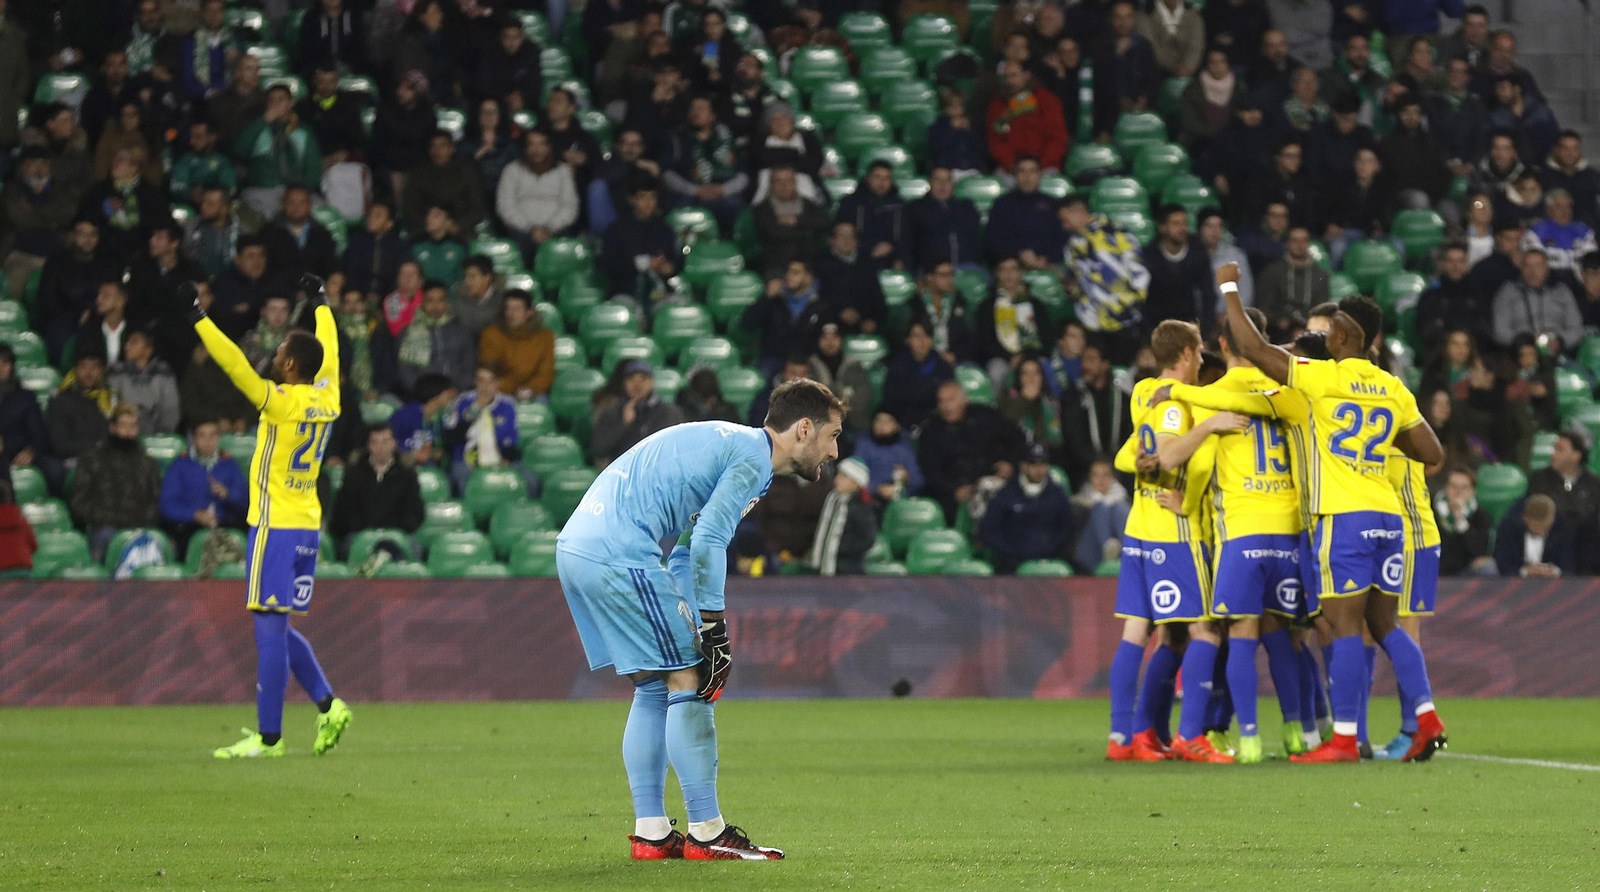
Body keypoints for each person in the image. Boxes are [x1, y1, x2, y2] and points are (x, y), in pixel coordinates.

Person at [555, 380, 844, 861]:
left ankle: (651, 834)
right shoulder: (752, 460)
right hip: (617, 551)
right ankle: (708, 833)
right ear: (804, 429)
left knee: (656, 685)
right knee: (692, 679)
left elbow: (687, 551)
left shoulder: (736, 448)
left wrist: (700, 626)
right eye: (832, 436)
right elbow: (709, 541)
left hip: (579, 547)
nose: (834, 451)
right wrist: (713, 629)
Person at [1212, 264, 1450, 763]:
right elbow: (1432, 452)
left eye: (1331, 329)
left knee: (1342, 627)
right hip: (1388, 517)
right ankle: (1427, 717)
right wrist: (1380, 440)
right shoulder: (1392, 386)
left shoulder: (1321, 378)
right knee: (1385, 625)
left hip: (1343, 518)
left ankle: (1343, 740)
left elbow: (1252, 347)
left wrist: (1230, 286)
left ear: (1342, 337)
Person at [187, 274, 352, 760]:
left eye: (281, 351)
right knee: (278, 627)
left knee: (267, 629)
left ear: (291, 365)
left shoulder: (279, 403)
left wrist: (199, 318)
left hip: (274, 524)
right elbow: (330, 349)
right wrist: (320, 303)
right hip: (307, 525)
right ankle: (328, 704)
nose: (275, 354)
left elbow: (233, 364)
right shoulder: (329, 397)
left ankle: (269, 738)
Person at [1102, 319, 1240, 762]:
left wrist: (1139, 462)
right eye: (1197, 352)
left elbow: (1132, 453)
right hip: (1173, 530)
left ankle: (1127, 737)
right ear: (1184, 354)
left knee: (1143, 631)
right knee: (1206, 631)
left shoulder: (1144, 392)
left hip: (1140, 527)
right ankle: (1190, 736)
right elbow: (1167, 453)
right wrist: (1210, 425)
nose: (1201, 360)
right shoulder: (1175, 407)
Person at [916, 380, 1026, 523]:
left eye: (950, 400)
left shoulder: (986, 417)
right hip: (954, 493)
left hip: (992, 481)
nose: (945, 406)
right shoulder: (930, 432)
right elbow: (930, 471)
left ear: (964, 400)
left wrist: (1010, 463)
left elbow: (1018, 439)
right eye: (941, 401)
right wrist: (954, 491)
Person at [70, 404, 164, 560]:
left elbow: (157, 500)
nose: (128, 431)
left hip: (140, 526)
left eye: (133, 426)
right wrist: (109, 519)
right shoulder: (92, 459)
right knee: (106, 536)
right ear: (112, 427)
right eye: (123, 425)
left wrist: (140, 521)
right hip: (105, 527)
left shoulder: (148, 463)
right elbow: (79, 503)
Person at [980, 442, 1076, 575]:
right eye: (1034, 464)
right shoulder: (1006, 494)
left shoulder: (1057, 494)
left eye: (1043, 464)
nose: (1039, 469)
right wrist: (1011, 551)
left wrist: (1049, 550)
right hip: (1012, 564)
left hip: (1051, 561)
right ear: (1023, 466)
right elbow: (989, 529)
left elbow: (1066, 530)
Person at [328, 424, 425, 550]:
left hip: (398, 535)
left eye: (385, 441)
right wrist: (367, 531)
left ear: (394, 443)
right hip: (359, 535)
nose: (381, 447)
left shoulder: (407, 474)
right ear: (369, 445)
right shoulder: (354, 473)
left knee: (412, 547)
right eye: (375, 442)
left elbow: (415, 512)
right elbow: (343, 511)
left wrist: (391, 531)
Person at [661, 95, 748, 232]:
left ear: (712, 116)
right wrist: (695, 190)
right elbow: (667, 174)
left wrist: (722, 190)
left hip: (725, 194)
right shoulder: (676, 138)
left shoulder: (729, 138)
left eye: (701, 109)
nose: (695, 113)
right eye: (692, 109)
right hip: (689, 194)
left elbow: (743, 175)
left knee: (737, 208)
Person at [159, 419, 248, 551]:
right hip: (189, 528)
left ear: (218, 438)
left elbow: (244, 503)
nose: (208, 441)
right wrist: (194, 515)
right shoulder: (179, 465)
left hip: (225, 526)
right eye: (202, 435)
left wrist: (227, 495)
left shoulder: (229, 464)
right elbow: (167, 505)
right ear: (194, 439)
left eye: (212, 435)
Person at [741, 261, 831, 379]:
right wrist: (766, 298)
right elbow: (747, 323)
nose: (789, 276)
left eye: (796, 272)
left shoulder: (820, 306)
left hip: (806, 359)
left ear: (808, 278)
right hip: (775, 359)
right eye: (788, 272)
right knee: (763, 376)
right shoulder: (773, 301)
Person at [497, 130, 580, 254]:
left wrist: (550, 229)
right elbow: (505, 206)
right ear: (525, 148)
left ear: (549, 147)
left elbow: (570, 206)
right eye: (532, 145)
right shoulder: (512, 170)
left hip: (557, 231)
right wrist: (530, 229)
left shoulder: (563, 171)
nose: (536, 150)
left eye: (541, 144)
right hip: (521, 232)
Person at [592, 360, 686, 467]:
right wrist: (623, 424)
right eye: (631, 379)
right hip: (625, 471)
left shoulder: (670, 412)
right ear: (624, 383)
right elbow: (599, 449)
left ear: (651, 382)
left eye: (643, 379)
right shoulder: (612, 412)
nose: (637, 385)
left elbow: (680, 446)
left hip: (661, 468)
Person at [1140, 204, 1216, 336]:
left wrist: (1204, 334)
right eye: (1176, 224)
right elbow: (1142, 301)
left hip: (1190, 326)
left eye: (1184, 223)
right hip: (1158, 328)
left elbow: (1208, 295)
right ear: (1163, 228)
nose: (1182, 228)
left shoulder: (1197, 253)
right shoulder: (1149, 256)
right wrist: (1149, 337)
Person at [600, 182, 680, 304]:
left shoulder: (665, 230)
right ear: (632, 200)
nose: (648, 203)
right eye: (643, 197)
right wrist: (641, 264)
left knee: (679, 308)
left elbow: (675, 261)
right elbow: (608, 266)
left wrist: (669, 268)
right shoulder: (615, 230)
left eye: (652, 197)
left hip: (660, 293)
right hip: (626, 292)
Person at [985, 61, 1069, 174]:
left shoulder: (1047, 100)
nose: (1009, 81)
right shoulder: (997, 106)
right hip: (1010, 169)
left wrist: (1038, 165)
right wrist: (1012, 165)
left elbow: (1058, 139)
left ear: (1026, 75)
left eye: (1014, 75)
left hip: (1045, 167)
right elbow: (996, 142)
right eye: (1006, 77)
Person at [1492, 248, 1583, 351]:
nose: (1532, 271)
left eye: (1538, 266)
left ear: (1547, 269)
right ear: (1521, 268)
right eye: (1527, 266)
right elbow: (1499, 331)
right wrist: (1523, 340)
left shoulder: (1562, 292)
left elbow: (1576, 328)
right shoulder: (1507, 292)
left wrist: (1560, 341)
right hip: (1521, 350)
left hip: (1558, 349)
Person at [404, 131, 487, 237]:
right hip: (425, 230)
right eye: (434, 146)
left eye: (442, 146)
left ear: (452, 148)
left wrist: (456, 225)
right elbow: (411, 207)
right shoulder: (418, 173)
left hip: (460, 231)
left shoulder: (467, 171)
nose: (438, 150)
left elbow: (477, 207)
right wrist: (431, 223)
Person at [1254, 226, 1331, 339]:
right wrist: (1279, 321)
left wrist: (1308, 326)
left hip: (1311, 332)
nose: (1299, 245)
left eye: (1304, 240)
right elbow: (1264, 306)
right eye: (1295, 240)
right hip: (1278, 332)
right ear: (1287, 244)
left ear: (1309, 244)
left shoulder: (1320, 275)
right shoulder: (1272, 272)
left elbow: (1322, 307)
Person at [398, 282, 477, 392]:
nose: (435, 306)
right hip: (422, 395)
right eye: (430, 300)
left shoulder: (461, 331)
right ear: (422, 302)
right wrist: (424, 393)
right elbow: (406, 371)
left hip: (457, 393)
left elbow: (469, 366)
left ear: (447, 302)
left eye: (440, 300)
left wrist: (457, 391)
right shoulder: (410, 333)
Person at [1415, 243, 1492, 354]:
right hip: (1440, 355)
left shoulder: (1479, 295)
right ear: (1442, 264)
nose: (1455, 266)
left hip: (1474, 354)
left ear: (1467, 264)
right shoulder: (1430, 297)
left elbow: (1485, 330)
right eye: (1450, 261)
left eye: (1460, 261)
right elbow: (1427, 331)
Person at [753, 166, 831, 274]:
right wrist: (808, 231)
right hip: (777, 267)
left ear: (795, 183)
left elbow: (825, 222)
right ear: (771, 185)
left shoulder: (808, 205)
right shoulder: (762, 209)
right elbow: (775, 234)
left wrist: (796, 220)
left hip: (810, 264)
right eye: (778, 181)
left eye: (788, 180)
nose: (784, 185)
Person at [807, 457, 877, 576]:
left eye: (844, 476)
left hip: (848, 569)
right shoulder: (831, 500)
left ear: (856, 482)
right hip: (826, 565)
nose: (837, 479)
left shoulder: (861, 507)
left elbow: (868, 539)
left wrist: (840, 548)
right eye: (838, 474)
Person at [986, 157, 1061, 268]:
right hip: (1010, 264)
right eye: (1022, 171)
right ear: (1015, 175)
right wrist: (1019, 254)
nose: (1027, 176)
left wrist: (1046, 258)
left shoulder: (1052, 204)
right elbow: (993, 241)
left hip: (1048, 263)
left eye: (1032, 171)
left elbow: (1061, 238)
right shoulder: (1002, 204)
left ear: (1039, 175)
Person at [813, 223, 887, 334]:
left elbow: (876, 296)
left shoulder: (867, 263)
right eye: (842, 236)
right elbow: (821, 294)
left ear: (856, 241)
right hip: (832, 319)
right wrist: (840, 311)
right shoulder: (820, 264)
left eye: (851, 236)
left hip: (864, 320)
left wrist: (872, 319)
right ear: (832, 240)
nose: (846, 240)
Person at [1525, 430, 1600, 540]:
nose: (1553, 455)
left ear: (1576, 455)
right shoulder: (1539, 480)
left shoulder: (1593, 484)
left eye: (1560, 450)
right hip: (1550, 541)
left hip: (1585, 543)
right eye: (1554, 449)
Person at [881, 320, 955, 428]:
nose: (922, 341)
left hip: (937, 424)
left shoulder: (943, 367)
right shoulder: (897, 367)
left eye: (926, 335)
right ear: (908, 340)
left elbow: (949, 398)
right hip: (904, 424)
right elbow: (891, 400)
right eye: (917, 336)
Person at [109, 329, 180, 434]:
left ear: (148, 349)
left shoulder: (163, 373)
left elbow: (171, 409)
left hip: (157, 435)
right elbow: (111, 406)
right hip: (124, 434)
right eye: (127, 342)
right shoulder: (117, 372)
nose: (127, 346)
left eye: (134, 342)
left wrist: (162, 434)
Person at [806, 324, 873, 432]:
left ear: (841, 340)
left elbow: (863, 398)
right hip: (819, 426)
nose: (830, 342)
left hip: (854, 423)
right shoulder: (809, 367)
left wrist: (839, 412)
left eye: (834, 338)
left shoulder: (855, 366)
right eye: (825, 338)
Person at [1523, 190, 1597, 289]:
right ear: (1549, 210)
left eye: (1568, 207)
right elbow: (1534, 265)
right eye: (1559, 206)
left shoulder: (1584, 231)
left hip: (1579, 285)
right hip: (1546, 286)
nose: (1564, 210)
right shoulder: (1537, 231)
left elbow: (1592, 264)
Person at [1494, 493, 1575, 577]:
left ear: (1552, 519)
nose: (1540, 531)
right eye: (1535, 526)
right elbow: (1503, 563)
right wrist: (1524, 571)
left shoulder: (1564, 529)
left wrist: (1554, 571)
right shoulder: (1509, 530)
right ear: (1525, 519)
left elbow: (1569, 565)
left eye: (1544, 527)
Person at [1434, 467, 1495, 576]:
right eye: (1454, 486)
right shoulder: (1432, 511)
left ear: (1472, 491)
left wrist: (1460, 519)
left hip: (1467, 572)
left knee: (1488, 567)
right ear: (1445, 488)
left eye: (1464, 487)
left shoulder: (1480, 516)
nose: (1458, 492)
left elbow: (1480, 552)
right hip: (1435, 567)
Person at [853, 411, 924, 501]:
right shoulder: (863, 444)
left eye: (888, 421)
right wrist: (877, 489)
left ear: (896, 426)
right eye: (878, 421)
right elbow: (853, 475)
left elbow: (918, 482)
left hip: (899, 500)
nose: (882, 425)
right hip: (868, 499)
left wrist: (907, 478)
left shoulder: (904, 448)